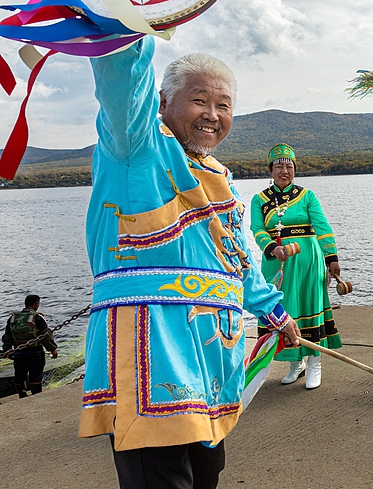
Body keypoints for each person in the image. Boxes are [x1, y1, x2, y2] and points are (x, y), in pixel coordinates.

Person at [79, 37, 301, 489]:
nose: (213, 115)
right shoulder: (135, 148)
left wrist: (273, 310)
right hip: (149, 342)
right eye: (199, 100)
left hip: (213, 351)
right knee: (160, 479)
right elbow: (122, 86)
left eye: (224, 105)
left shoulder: (220, 177)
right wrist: (123, 24)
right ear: (162, 102)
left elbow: (237, 257)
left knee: (206, 475)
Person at [250, 144, 343, 390]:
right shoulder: (259, 200)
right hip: (277, 263)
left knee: (309, 306)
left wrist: (331, 258)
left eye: (289, 166)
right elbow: (257, 230)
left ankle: (315, 364)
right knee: (285, 310)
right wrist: (272, 248)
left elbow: (322, 226)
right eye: (279, 166)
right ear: (270, 170)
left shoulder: (307, 196)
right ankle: (296, 363)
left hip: (308, 262)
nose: (284, 171)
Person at [2, 294, 58, 397]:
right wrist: (52, 350)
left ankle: (22, 395)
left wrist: (7, 351)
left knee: (20, 375)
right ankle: (36, 395)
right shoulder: (37, 317)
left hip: (18, 354)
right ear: (36, 304)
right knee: (35, 375)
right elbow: (45, 336)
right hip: (35, 353)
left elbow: (7, 336)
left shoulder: (13, 318)